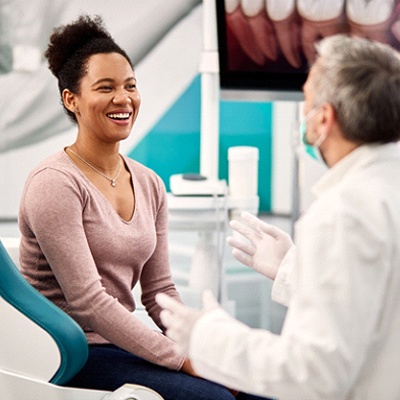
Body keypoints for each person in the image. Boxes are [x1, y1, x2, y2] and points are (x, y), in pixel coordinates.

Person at [17, 14, 267, 400]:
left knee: (259, 389)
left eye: (130, 86)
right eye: (105, 87)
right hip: (68, 352)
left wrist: (199, 344)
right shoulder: (54, 183)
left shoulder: (149, 182)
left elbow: (159, 290)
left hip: (122, 343)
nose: (123, 98)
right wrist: (182, 359)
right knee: (213, 398)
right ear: (72, 99)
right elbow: (89, 302)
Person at [156, 34, 400, 399]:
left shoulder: (342, 212)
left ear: (323, 119)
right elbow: (376, 305)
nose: (302, 112)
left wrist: (208, 336)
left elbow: (312, 373)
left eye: (306, 98)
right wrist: (292, 267)